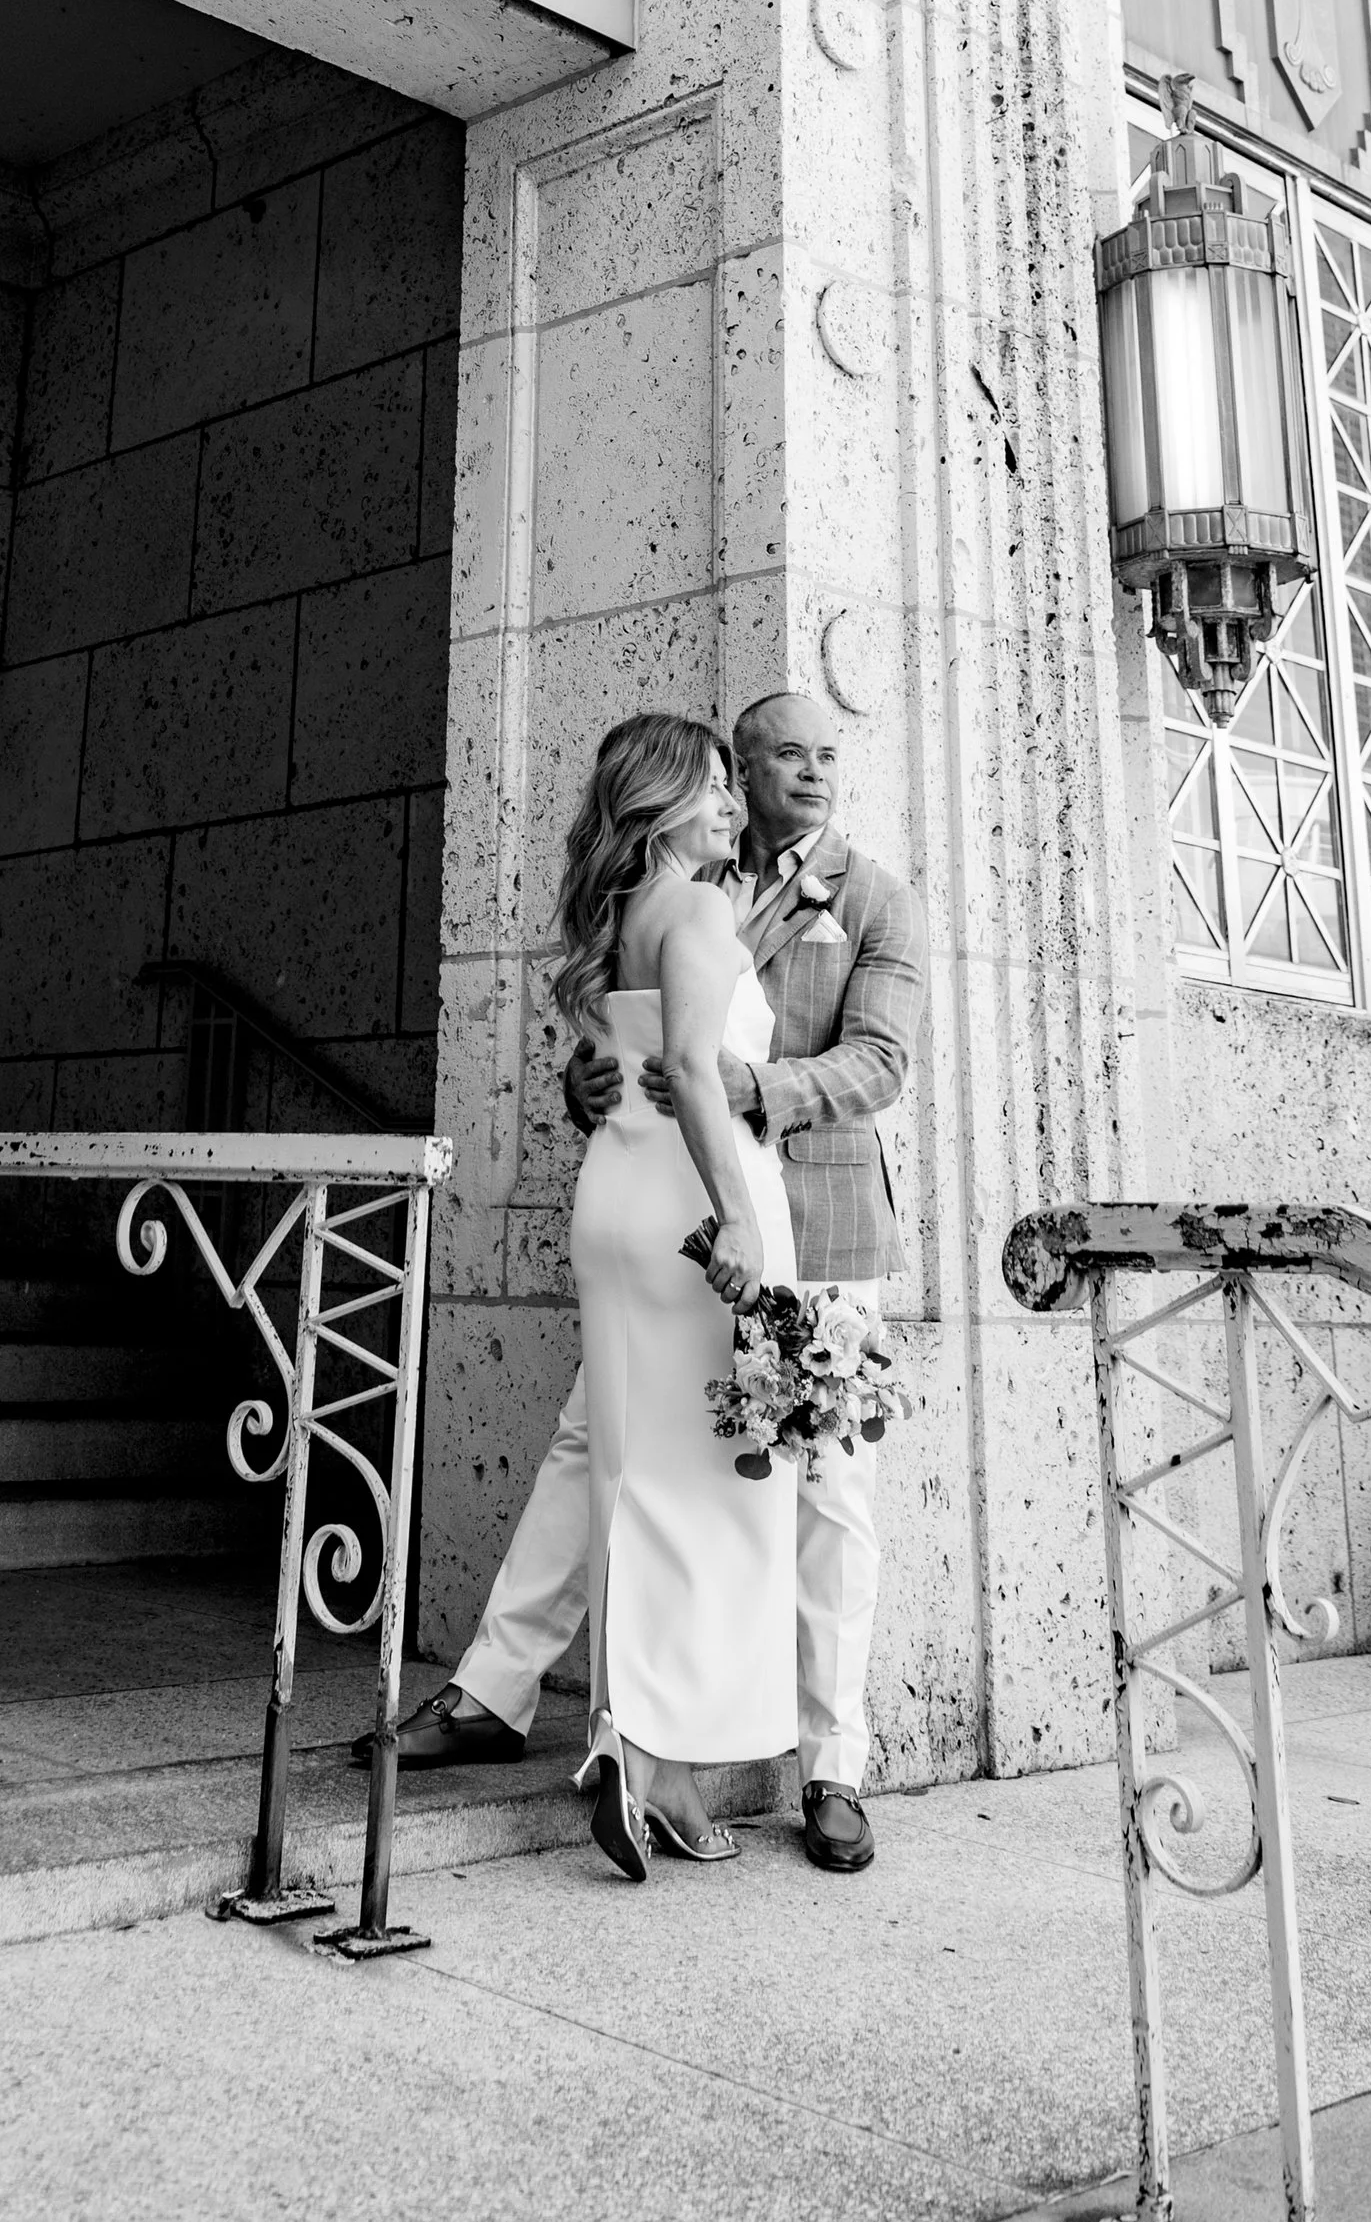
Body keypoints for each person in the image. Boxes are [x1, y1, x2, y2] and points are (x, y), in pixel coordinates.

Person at [366, 689, 926, 1876]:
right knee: (605, 1452)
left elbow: (878, 1061)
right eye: (783, 753)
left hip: (812, 1223)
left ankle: (832, 1760)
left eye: (830, 753)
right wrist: (597, 1077)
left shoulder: (871, 895)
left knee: (819, 1493)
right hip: (698, 1215)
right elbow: (641, 1039)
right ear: (730, 768)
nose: (810, 773)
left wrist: (744, 1088)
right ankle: (503, 1694)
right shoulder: (693, 889)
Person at [552, 710, 795, 1877]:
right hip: (691, 1216)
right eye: (709, 788)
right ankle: (660, 1764)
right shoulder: (697, 909)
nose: (730, 806)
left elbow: (615, 1066)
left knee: (628, 1481)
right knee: (715, 1494)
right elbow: (695, 1070)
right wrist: (738, 1216)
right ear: (655, 798)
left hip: (613, 1200)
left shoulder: (608, 920)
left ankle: (630, 1750)